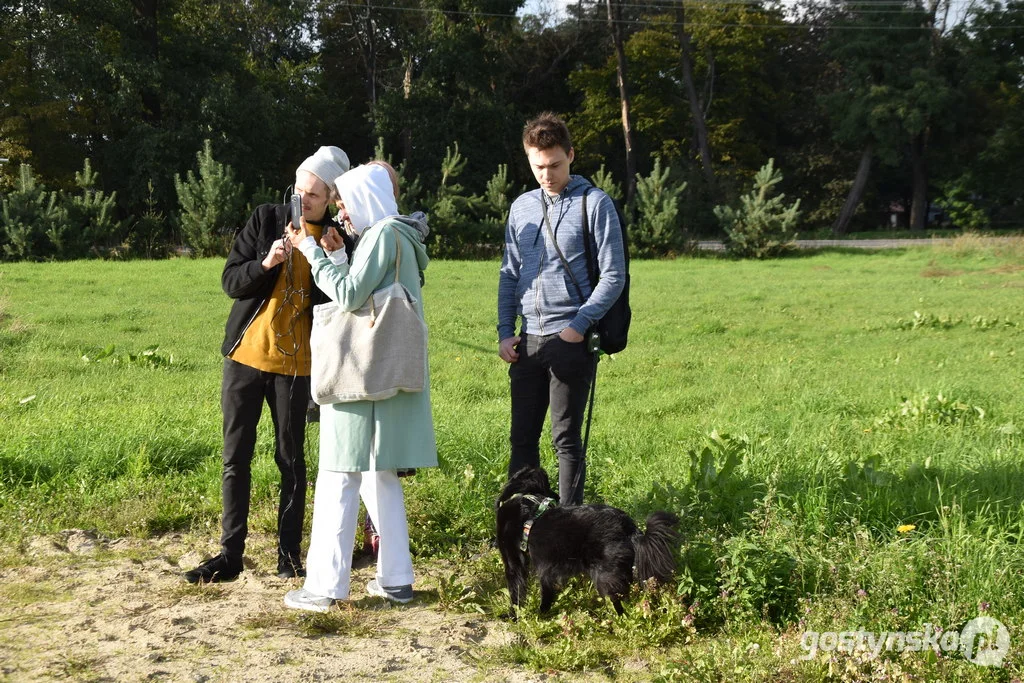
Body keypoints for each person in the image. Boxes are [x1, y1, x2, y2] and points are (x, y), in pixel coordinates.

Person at [184, 146, 353, 584]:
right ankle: (229, 556)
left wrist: (335, 257)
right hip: (245, 358)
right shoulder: (265, 219)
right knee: (234, 458)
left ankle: (289, 557)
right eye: (300, 190)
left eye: (315, 194)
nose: (304, 200)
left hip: (297, 366)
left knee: (291, 461)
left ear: (333, 196)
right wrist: (266, 263)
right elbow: (230, 282)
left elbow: (346, 300)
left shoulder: (338, 237)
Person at [282, 162, 437, 612]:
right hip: (385, 372)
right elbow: (370, 289)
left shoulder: (383, 234)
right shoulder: (399, 235)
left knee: (336, 475)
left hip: (362, 374)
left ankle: (324, 587)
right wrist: (336, 257)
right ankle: (396, 580)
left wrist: (312, 252)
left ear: (365, 199)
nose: (341, 213)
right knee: (379, 474)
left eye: (345, 203)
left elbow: (350, 297)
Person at [497, 112, 626, 506]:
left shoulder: (595, 204)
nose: (547, 175)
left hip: (570, 340)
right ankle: (523, 523)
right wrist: (505, 330)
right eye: (538, 166)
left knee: (565, 440)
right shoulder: (521, 207)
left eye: (554, 164)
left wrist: (578, 327)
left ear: (570, 155)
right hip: (527, 339)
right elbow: (509, 273)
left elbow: (613, 276)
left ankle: (569, 526)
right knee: (521, 438)